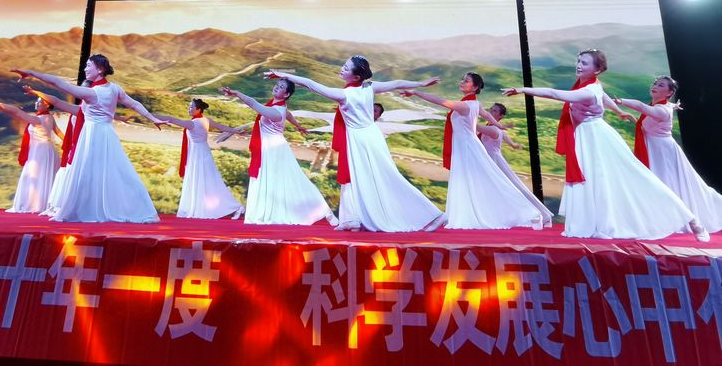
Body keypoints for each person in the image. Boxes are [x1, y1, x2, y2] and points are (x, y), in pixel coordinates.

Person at [503, 49, 709, 241]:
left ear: (597, 69)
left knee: (635, 177)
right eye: (578, 61)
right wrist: (618, 111)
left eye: (585, 63)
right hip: (586, 136)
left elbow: (555, 94)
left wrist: (522, 89)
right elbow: (604, 95)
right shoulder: (591, 84)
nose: (579, 65)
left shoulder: (589, 90)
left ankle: (691, 220)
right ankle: (599, 222)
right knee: (595, 182)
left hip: (596, 137)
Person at [265, 56, 446, 232]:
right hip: (370, 136)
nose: (342, 69)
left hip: (360, 140)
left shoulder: (344, 95)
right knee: (356, 177)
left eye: (346, 68)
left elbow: (310, 83)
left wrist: (283, 75)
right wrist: (420, 83)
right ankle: (350, 219)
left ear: (356, 76)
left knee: (384, 178)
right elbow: (397, 83)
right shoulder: (369, 87)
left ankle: (433, 215)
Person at [12, 54, 163, 223]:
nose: (85, 69)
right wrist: (152, 118)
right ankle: (118, 207)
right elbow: (134, 104)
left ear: (100, 69)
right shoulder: (114, 88)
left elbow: (58, 83)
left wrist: (32, 73)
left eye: (88, 66)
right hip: (107, 134)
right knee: (117, 171)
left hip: (93, 134)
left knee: (90, 172)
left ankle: (93, 208)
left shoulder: (92, 93)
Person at [401, 73, 546, 230]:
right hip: (465, 145)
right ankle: (452, 213)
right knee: (466, 180)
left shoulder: (467, 105)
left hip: (467, 147)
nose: (462, 82)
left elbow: (439, 100)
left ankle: (530, 213)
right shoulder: (474, 103)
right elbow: (487, 114)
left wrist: (416, 92)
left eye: (467, 81)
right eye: (462, 79)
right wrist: (499, 125)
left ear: (475, 87)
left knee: (483, 180)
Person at [220, 80, 338, 226]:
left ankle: (321, 210)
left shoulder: (276, 112)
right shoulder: (278, 106)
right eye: (277, 84)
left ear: (286, 94)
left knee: (292, 180)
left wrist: (237, 93)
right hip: (270, 147)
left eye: (281, 87)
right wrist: (298, 126)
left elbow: (254, 104)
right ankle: (266, 211)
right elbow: (288, 114)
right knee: (278, 180)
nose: (277, 87)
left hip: (273, 149)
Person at [616, 76, 722, 232]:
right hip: (655, 149)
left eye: (661, 85)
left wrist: (620, 101)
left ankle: (675, 219)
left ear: (669, 92)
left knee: (665, 183)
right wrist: (674, 106)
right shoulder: (663, 105)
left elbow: (640, 106)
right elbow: (665, 108)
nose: (655, 86)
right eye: (655, 83)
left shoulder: (661, 110)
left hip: (663, 152)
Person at [155, 98, 246, 219]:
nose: (189, 109)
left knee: (208, 182)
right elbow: (221, 126)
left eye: (191, 107)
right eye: (189, 106)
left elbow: (171, 119)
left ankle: (235, 207)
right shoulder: (205, 120)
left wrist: (148, 115)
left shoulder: (194, 123)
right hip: (201, 152)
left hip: (198, 154)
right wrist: (236, 131)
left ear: (198, 109)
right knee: (209, 182)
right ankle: (211, 207)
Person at [477, 102, 553, 227]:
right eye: (491, 109)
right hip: (489, 160)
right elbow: (506, 137)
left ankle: (541, 215)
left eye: (494, 111)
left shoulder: (493, 129)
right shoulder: (493, 127)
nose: (490, 111)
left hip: (494, 161)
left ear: (501, 116)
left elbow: (475, 126)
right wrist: (514, 145)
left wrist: (467, 113)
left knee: (515, 188)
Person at [0, 98, 62, 214]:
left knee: (34, 176)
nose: (37, 103)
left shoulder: (38, 119)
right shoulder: (49, 117)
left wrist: (1, 105)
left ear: (47, 105)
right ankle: (42, 204)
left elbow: (18, 112)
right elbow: (59, 132)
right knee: (42, 177)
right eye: (37, 101)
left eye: (40, 102)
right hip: (46, 150)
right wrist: (69, 143)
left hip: (39, 152)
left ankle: (35, 205)